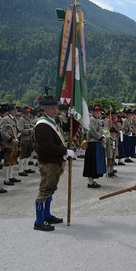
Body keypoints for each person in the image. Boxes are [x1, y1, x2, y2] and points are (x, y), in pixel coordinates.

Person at [33, 94, 74, 231]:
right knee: (44, 190)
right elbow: (49, 146)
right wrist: (65, 151)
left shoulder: (54, 121)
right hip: (48, 161)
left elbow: (66, 129)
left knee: (51, 189)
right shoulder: (43, 125)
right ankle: (39, 221)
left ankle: (47, 214)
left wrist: (71, 117)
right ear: (44, 108)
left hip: (54, 161)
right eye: (51, 108)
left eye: (56, 107)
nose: (55, 110)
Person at [83, 105, 107, 188]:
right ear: (93, 111)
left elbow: (101, 130)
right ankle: (90, 182)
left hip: (97, 142)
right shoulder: (91, 120)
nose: (97, 112)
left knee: (95, 163)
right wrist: (101, 138)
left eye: (99, 111)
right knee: (91, 163)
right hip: (92, 143)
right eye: (96, 111)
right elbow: (93, 131)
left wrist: (103, 137)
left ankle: (92, 180)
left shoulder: (98, 120)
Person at [0, 105, 21, 186]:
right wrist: (10, 139)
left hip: (15, 141)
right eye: (13, 110)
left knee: (13, 160)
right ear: (9, 111)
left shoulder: (15, 119)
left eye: (16, 110)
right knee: (7, 161)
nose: (15, 112)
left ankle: (10, 176)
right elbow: (2, 131)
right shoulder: (5, 119)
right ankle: (6, 179)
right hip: (9, 142)